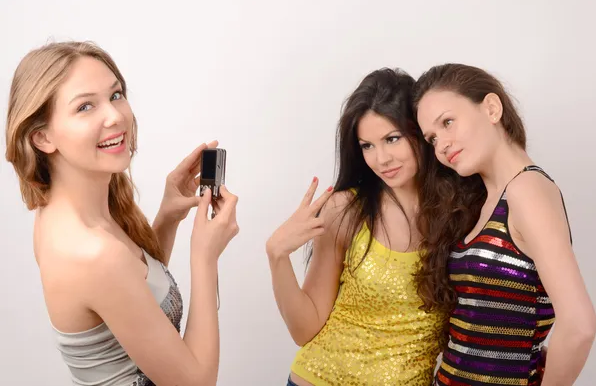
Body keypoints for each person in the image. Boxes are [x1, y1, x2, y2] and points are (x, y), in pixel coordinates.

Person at [4, 41, 239, 386]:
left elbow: (134, 291)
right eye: (85, 106)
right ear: (42, 137)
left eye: (115, 95)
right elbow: (197, 382)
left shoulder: (64, 211)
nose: (115, 116)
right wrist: (204, 257)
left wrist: (168, 216)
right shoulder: (93, 253)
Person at [265, 68, 478, 386]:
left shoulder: (466, 210)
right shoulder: (344, 210)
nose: (381, 159)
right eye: (367, 146)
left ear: (419, 133)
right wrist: (276, 255)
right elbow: (304, 328)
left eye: (392, 139)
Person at [413, 63, 596, 386]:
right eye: (432, 138)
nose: (441, 144)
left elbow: (579, 325)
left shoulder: (527, 190)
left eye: (448, 122)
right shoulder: (483, 200)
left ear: (492, 108)